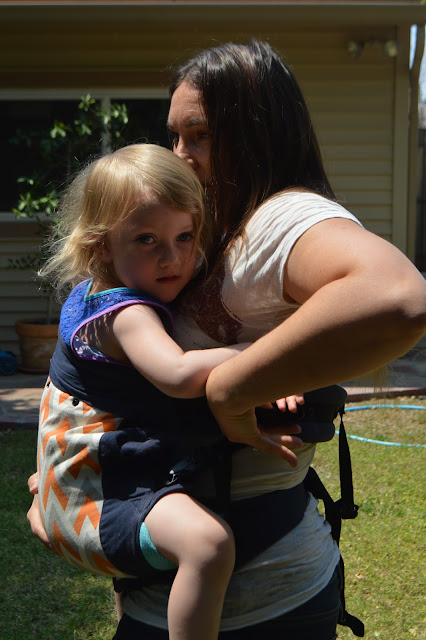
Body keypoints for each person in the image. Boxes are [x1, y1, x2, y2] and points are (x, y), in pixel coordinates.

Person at [28, 40, 426, 639]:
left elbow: (399, 297)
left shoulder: (282, 216)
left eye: (202, 136)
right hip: (157, 583)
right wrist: (70, 488)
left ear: (258, 135)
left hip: (263, 600)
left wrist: (232, 391)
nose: (181, 156)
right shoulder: (202, 223)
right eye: (175, 136)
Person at [34, 142, 303, 640]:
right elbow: (178, 375)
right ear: (99, 247)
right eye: (147, 240)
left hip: (71, 481)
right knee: (208, 545)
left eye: (185, 236)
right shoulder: (129, 314)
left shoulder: (89, 291)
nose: (172, 257)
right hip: (96, 494)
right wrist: (264, 358)